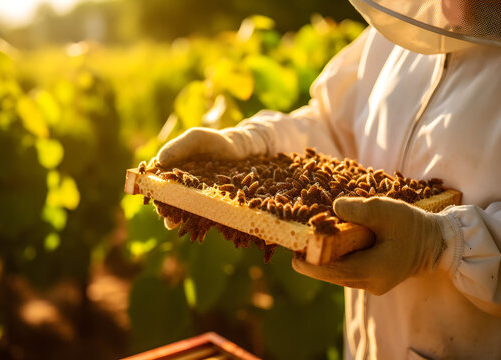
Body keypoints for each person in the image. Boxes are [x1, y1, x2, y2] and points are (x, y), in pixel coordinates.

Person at [155, 0, 501, 358]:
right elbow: (331, 126)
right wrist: (252, 142)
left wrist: (442, 245)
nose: (450, 8)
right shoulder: (397, 34)